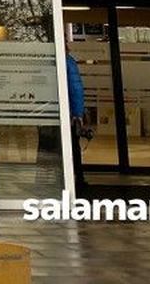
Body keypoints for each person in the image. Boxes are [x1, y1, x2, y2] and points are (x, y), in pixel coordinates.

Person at [65, 39, 88, 196]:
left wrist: (77, 113)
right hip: (68, 113)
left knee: (70, 145)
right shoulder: (68, 62)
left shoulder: (66, 62)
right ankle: (78, 177)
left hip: (66, 113)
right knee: (73, 146)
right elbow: (76, 87)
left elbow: (75, 88)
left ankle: (76, 177)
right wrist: (78, 113)